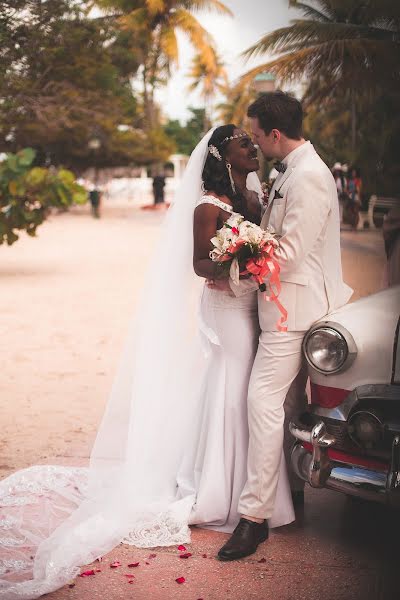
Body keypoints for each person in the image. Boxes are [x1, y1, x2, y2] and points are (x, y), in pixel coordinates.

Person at [0, 125, 294, 598]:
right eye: (242, 142)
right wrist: (240, 257)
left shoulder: (253, 197)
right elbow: (200, 264)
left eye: (251, 140)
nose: (251, 147)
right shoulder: (207, 206)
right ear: (222, 155)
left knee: (242, 390)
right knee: (234, 387)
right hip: (226, 306)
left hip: (251, 306)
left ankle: (246, 485)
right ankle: (221, 489)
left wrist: (256, 257)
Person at [209, 91, 353, 561]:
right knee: (288, 407)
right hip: (285, 306)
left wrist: (235, 261)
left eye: (254, 134)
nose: (253, 141)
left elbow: (287, 255)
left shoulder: (309, 177)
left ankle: (254, 518)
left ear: (274, 133)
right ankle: (293, 495)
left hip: (295, 309)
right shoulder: (290, 171)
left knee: (262, 402)